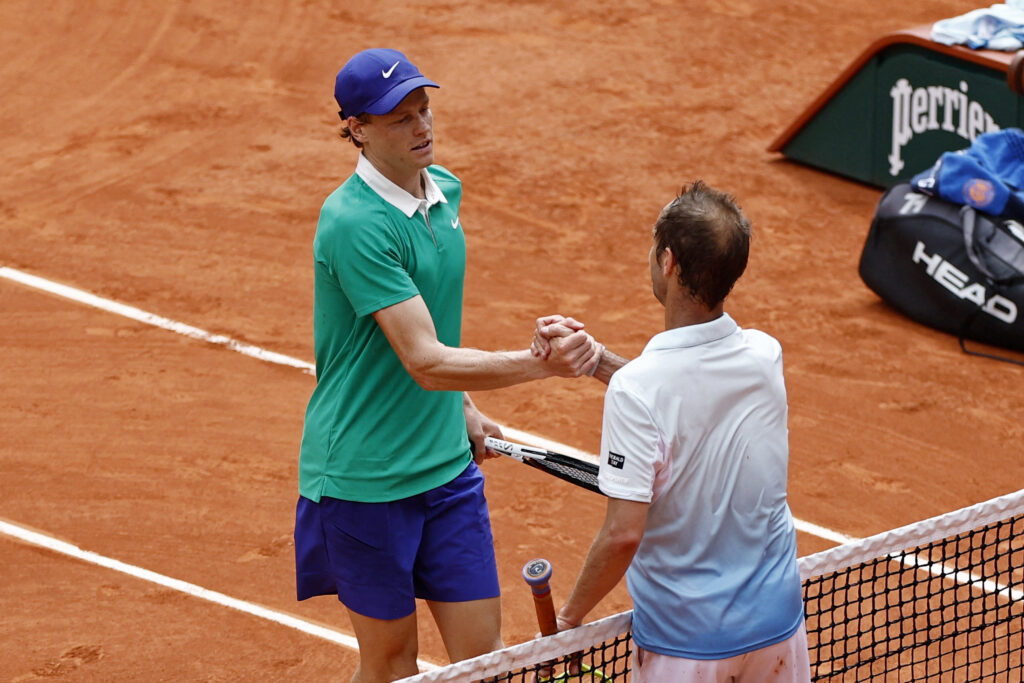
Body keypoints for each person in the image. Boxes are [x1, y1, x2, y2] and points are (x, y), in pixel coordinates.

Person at [293, 48, 602, 683]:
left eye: (424, 109)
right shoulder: (353, 224)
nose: (421, 127)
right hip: (366, 480)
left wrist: (462, 406)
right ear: (357, 129)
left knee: (484, 662)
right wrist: (542, 365)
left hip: (446, 470)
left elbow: (433, 328)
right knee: (391, 665)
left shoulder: (445, 192)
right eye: (400, 119)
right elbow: (425, 361)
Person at [534, 180, 810, 681]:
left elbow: (623, 534)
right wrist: (598, 361)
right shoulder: (765, 355)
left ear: (668, 262)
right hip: (779, 630)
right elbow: (686, 395)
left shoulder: (638, 391)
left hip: (687, 648)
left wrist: (569, 621)